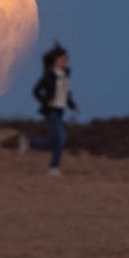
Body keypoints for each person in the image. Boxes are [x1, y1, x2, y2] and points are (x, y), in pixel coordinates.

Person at [18, 41, 79, 176]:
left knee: (54, 142)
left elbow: (65, 92)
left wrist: (72, 105)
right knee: (61, 140)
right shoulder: (48, 75)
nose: (66, 60)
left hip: (60, 110)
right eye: (64, 58)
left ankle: (30, 143)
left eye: (67, 58)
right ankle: (53, 168)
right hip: (50, 111)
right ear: (57, 59)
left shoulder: (66, 73)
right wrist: (47, 101)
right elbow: (36, 91)